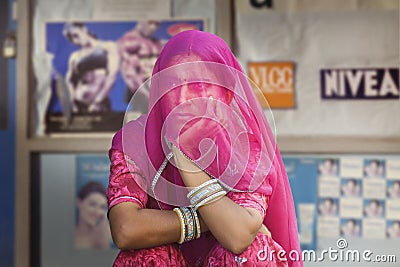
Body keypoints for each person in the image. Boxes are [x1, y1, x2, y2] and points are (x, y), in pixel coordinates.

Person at [107, 30, 302, 266]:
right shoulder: (136, 139)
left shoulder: (246, 144)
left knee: (252, 250)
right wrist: (210, 220)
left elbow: (237, 238)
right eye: (172, 84)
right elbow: (125, 229)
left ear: (226, 93)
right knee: (143, 256)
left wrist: (185, 160)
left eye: (199, 85)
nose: (184, 98)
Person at [63, 22, 120, 113]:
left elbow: (112, 76)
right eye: (72, 39)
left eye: (76, 35)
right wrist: (72, 100)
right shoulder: (75, 56)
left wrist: (98, 101)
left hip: (99, 104)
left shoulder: (108, 47)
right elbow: (69, 80)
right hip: (78, 104)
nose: (75, 40)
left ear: (84, 29)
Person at [117, 21, 163, 112]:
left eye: (157, 24)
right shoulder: (129, 41)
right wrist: (145, 95)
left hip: (154, 89)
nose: (153, 27)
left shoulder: (156, 43)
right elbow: (129, 73)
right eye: (150, 22)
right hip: (140, 90)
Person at [75, 181, 111, 249]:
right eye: (93, 204)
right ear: (79, 202)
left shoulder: (108, 236)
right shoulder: (66, 236)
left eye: (102, 207)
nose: (97, 212)